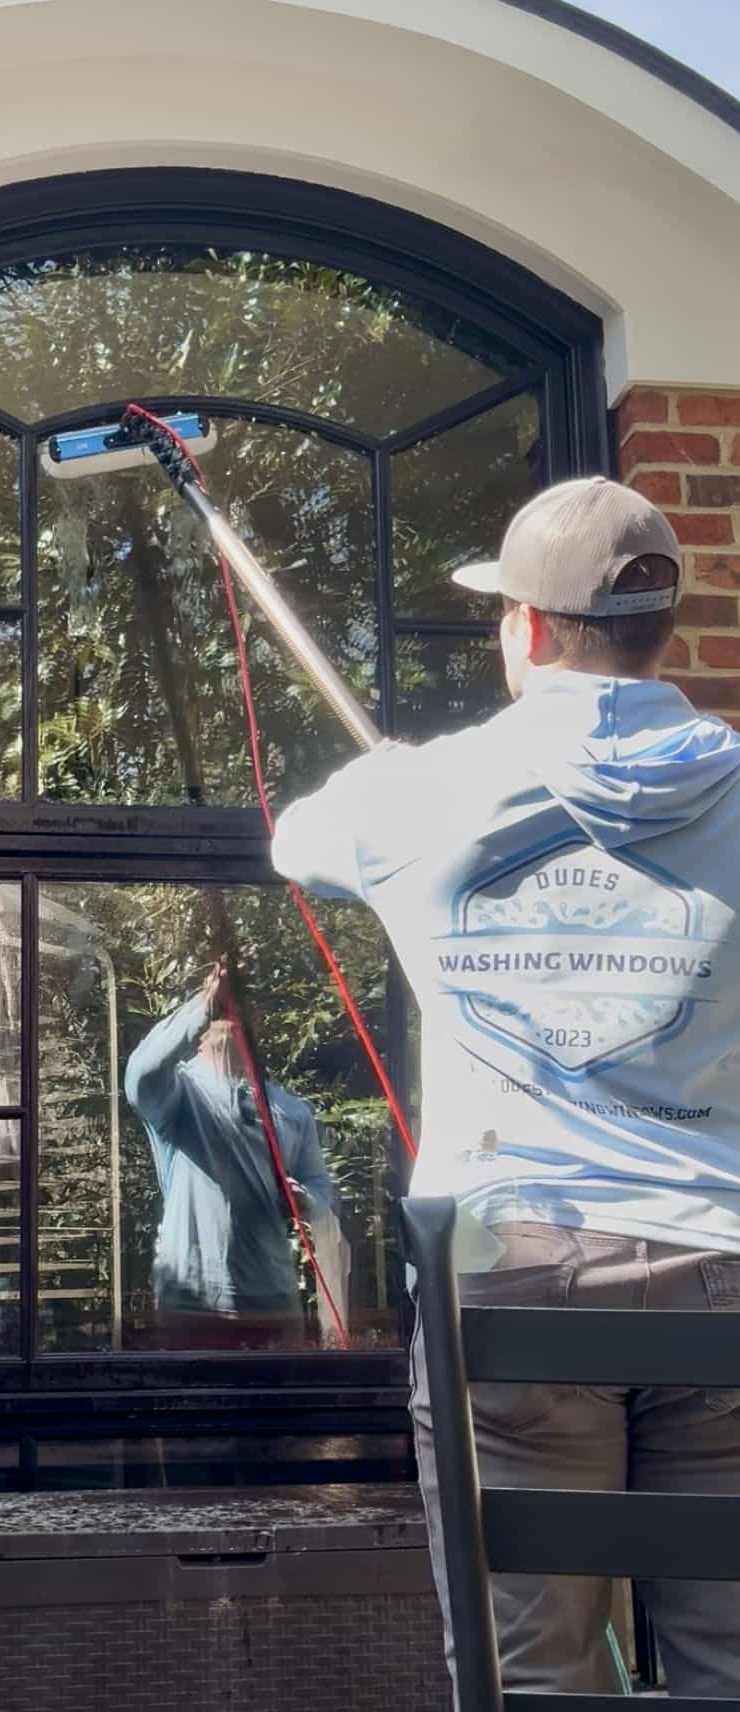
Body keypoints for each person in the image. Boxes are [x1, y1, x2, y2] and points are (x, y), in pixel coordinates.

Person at [272, 476, 740, 1699]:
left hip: (515, 1273)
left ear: (525, 629)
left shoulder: (413, 796)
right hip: (723, 1267)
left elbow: (298, 842)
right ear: (661, 628)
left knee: (531, 1668)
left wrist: (422, 796)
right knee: (728, 1665)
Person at [124, 960, 337, 1348]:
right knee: (195, 1408)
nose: (227, 1012)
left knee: (278, 1410)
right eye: (221, 1005)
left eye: (238, 1003)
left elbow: (322, 1188)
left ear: (256, 1022)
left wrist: (305, 1200)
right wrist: (204, 1003)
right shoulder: (179, 1095)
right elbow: (140, 1073)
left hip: (272, 1300)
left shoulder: (290, 1110)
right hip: (192, 1298)